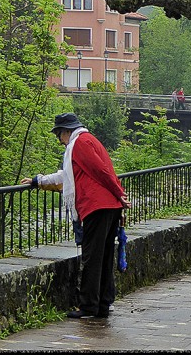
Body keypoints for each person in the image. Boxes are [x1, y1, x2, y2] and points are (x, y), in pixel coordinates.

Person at [22, 113, 130, 319]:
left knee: (92, 257)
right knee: (105, 256)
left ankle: (89, 306)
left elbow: (101, 172)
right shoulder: (87, 141)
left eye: (58, 135)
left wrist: (120, 194)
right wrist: (39, 180)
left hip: (97, 206)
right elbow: (69, 175)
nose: (59, 140)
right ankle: (103, 305)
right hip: (108, 206)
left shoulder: (80, 144)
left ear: (66, 131)